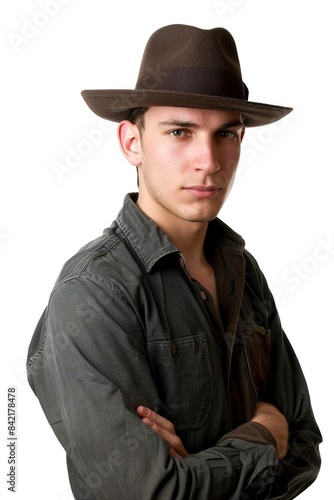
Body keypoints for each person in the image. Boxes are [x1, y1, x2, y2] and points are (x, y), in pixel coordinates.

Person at [27, 24, 322, 499]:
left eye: (225, 132)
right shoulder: (94, 293)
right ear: (132, 143)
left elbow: (306, 448)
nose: (208, 160)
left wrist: (203, 469)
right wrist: (264, 434)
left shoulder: (243, 274)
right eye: (180, 131)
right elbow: (148, 492)